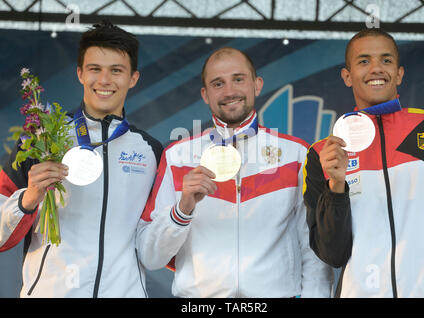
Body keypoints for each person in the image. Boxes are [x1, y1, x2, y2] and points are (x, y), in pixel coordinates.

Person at [137, 47, 333, 298]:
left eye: (238, 79)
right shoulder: (177, 156)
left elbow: (311, 247)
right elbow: (150, 256)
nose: (230, 91)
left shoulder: (296, 154)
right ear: (205, 94)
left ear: (257, 84)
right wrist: (182, 210)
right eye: (218, 83)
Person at [0, 20, 163, 297]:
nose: (104, 80)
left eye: (116, 70)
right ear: (79, 73)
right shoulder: (40, 138)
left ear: (133, 78)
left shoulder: (151, 151)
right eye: (94, 69)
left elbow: (156, 238)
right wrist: (29, 199)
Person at [302, 29, 424, 297]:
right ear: (347, 76)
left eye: (386, 60)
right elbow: (332, 253)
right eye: (364, 61)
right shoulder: (322, 154)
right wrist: (336, 185)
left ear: (400, 73)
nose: (376, 69)